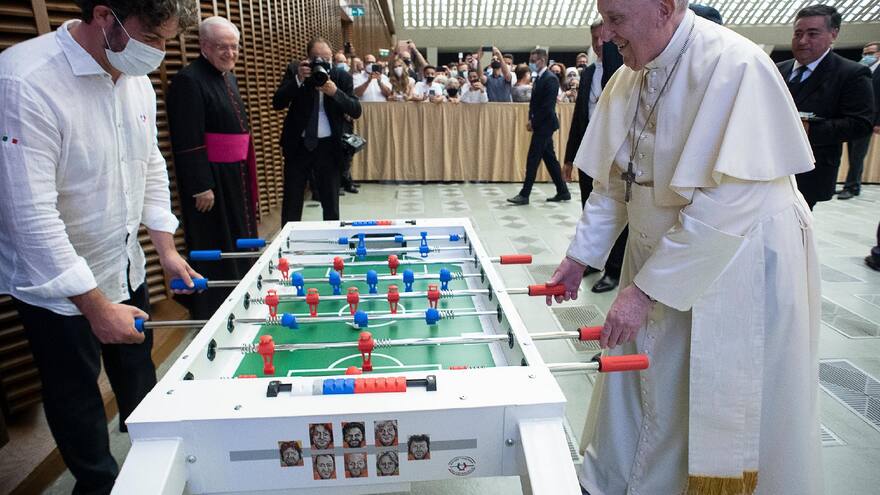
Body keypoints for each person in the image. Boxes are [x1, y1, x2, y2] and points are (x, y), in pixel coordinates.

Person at [547, 1, 823, 493]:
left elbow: (730, 203)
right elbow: (615, 183)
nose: (606, 35)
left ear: (664, 8)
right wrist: (579, 257)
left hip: (733, 259)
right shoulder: (629, 77)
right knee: (646, 382)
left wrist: (645, 291)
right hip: (659, 256)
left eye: (616, 20)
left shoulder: (735, 66)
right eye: (603, 19)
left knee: (709, 399)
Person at [0, 1, 200, 493]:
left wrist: (166, 249)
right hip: (58, 287)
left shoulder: (134, 77)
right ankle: (97, 484)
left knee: (137, 376)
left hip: (124, 264)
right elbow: (30, 217)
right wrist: (92, 305)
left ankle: (154, 470)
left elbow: (149, 163)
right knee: (76, 395)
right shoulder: (25, 81)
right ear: (105, 15)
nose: (159, 53)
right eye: (151, 39)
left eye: (166, 42)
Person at [166, 16, 257, 320]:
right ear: (204, 46)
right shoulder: (189, 80)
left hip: (235, 174)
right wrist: (200, 184)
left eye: (234, 47)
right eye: (222, 47)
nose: (230, 53)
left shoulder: (227, 76)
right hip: (212, 179)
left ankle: (241, 290)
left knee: (239, 234)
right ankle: (216, 304)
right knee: (215, 238)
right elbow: (187, 139)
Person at [777, 5, 873, 210]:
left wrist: (809, 129)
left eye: (812, 34)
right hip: (770, 165)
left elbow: (860, 123)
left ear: (833, 34)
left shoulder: (852, 73)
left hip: (811, 169)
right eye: (798, 33)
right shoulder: (778, 69)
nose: (803, 41)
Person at [563, 19, 627, 293]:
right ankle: (590, 259)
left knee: (614, 208)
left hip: (614, 155)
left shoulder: (622, 71)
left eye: (603, 37)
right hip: (589, 154)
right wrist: (569, 157)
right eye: (594, 38)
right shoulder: (588, 73)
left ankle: (614, 269)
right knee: (589, 206)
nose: (599, 43)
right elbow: (579, 117)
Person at [273, 37, 362, 223]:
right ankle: (288, 242)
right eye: (317, 59)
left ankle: (332, 242)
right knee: (292, 200)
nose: (321, 63)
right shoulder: (295, 71)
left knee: (330, 203)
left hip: (329, 147)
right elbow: (278, 102)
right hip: (298, 146)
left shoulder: (341, 76)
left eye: (326, 59)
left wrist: (335, 93)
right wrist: (298, 80)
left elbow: (355, 110)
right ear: (308, 58)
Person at [507, 48, 570, 205]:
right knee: (550, 159)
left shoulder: (550, 79)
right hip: (541, 124)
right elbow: (534, 104)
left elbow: (547, 107)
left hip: (545, 125)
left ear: (542, 61)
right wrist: (531, 118)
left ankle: (525, 194)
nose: (531, 64)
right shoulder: (540, 78)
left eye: (533, 60)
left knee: (533, 158)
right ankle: (563, 191)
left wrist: (533, 122)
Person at [839, 41, 880, 199]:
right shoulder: (862, 70)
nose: (866, 56)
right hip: (853, 118)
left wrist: (878, 122)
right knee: (852, 154)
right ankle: (853, 185)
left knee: (858, 155)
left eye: (870, 53)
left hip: (868, 120)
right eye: (865, 53)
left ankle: (851, 186)